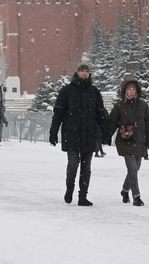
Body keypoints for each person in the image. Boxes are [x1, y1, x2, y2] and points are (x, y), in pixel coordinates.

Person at [48, 62, 110, 206]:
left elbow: (100, 113)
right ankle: (70, 189)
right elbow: (58, 113)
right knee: (73, 164)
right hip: (72, 134)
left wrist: (106, 132)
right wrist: (53, 132)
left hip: (89, 134)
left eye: (87, 71)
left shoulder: (94, 92)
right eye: (82, 71)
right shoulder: (67, 91)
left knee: (86, 167)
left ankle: (83, 196)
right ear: (77, 73)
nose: (84, 73)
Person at [108, 79, 149, 207]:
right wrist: (106, 136)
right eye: (129, 89)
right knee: (132, 168)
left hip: (140, 140)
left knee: (136, 168)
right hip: (125, 140)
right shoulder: (119, 106)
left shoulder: (143, 105)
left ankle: (124, 190)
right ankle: (137, 196)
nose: (131, 92)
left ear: (137, 91)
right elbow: (112, 122)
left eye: (133, 89)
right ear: (125, 91)